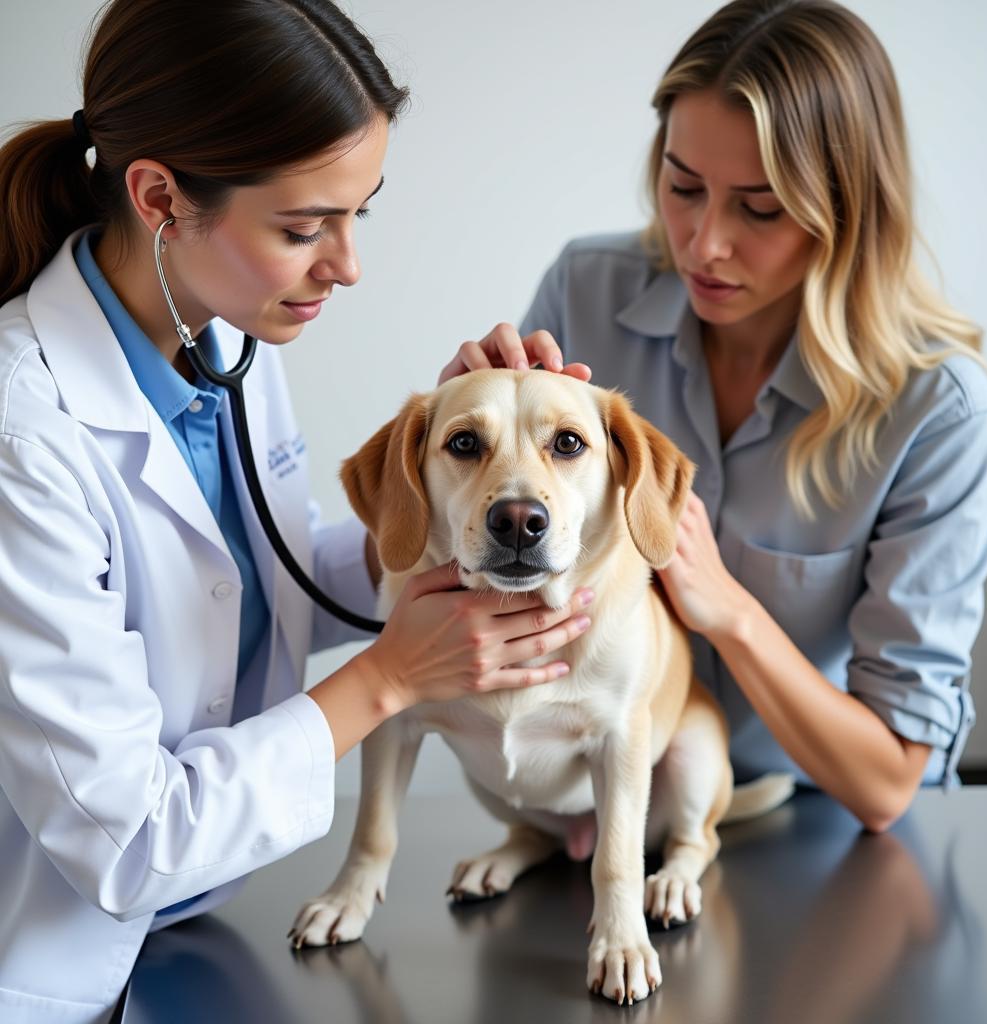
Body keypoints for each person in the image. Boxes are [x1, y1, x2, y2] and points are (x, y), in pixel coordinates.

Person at [0, 2, 594, 1020]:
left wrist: (444, 475)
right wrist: (390, 679)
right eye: (302, 227)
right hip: (49, 958)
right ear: (160, 199)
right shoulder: (22, 434)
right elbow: (127, 838)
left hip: (193, 926)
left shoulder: (228, 341)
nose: (347, 264)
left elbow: (259, 580)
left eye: (359, 212)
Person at [508, 0, 987, 831]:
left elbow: (887, 784)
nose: (704, 243)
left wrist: (728, 607)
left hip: (823, 826)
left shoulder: (941, 414)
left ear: (849, 209)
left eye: (761, 208)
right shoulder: (584, 292)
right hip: (604, 801)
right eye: (682, 187)